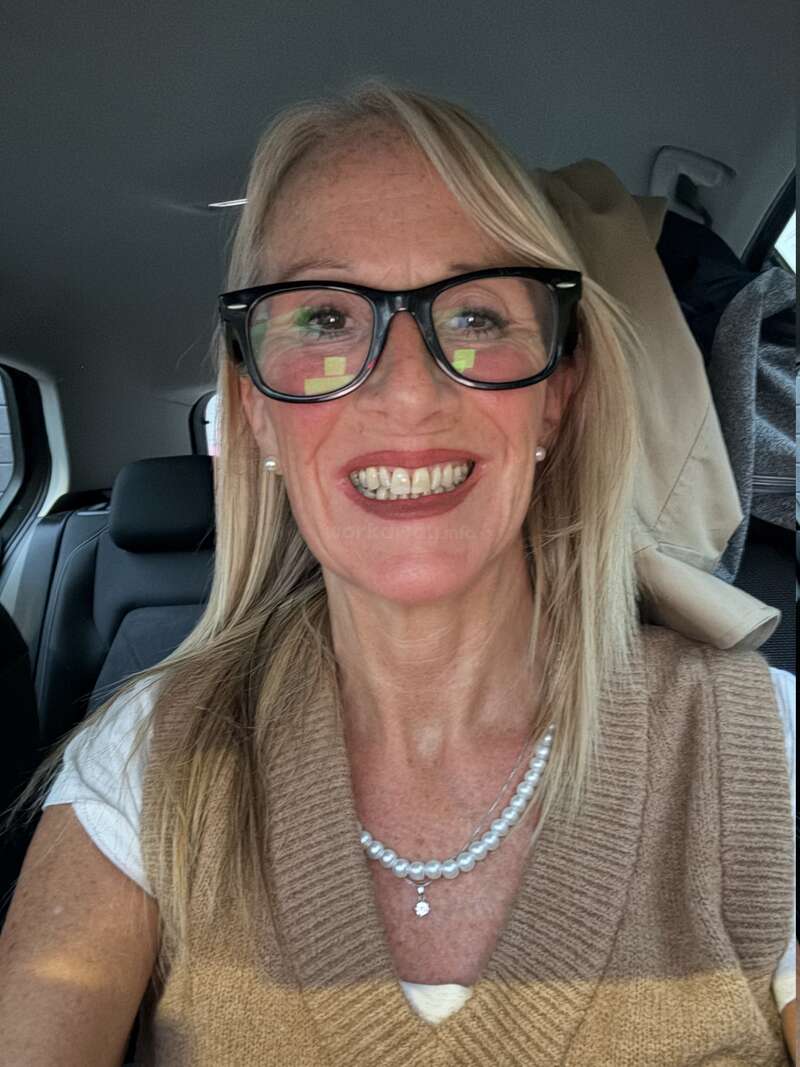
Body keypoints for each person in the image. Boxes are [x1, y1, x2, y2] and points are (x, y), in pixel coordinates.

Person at [0, 81, 795, 1066]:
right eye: (324, 320)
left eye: (473, 316)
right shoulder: (146, 762)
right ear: (255, 409)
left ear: (555, 395)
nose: (408, 393)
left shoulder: (763, 751)